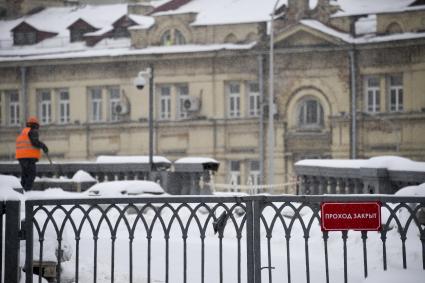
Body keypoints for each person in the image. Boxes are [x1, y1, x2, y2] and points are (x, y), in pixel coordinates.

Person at [15, 116, 49, 191]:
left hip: (21, 157)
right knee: (31, 175)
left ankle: (22, 191)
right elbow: (35, 142)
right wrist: (43, 146)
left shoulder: (24, 131)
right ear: (35, 125)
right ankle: (26, 191)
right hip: (28, 157)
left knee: (25, 175)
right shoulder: (33, 131)